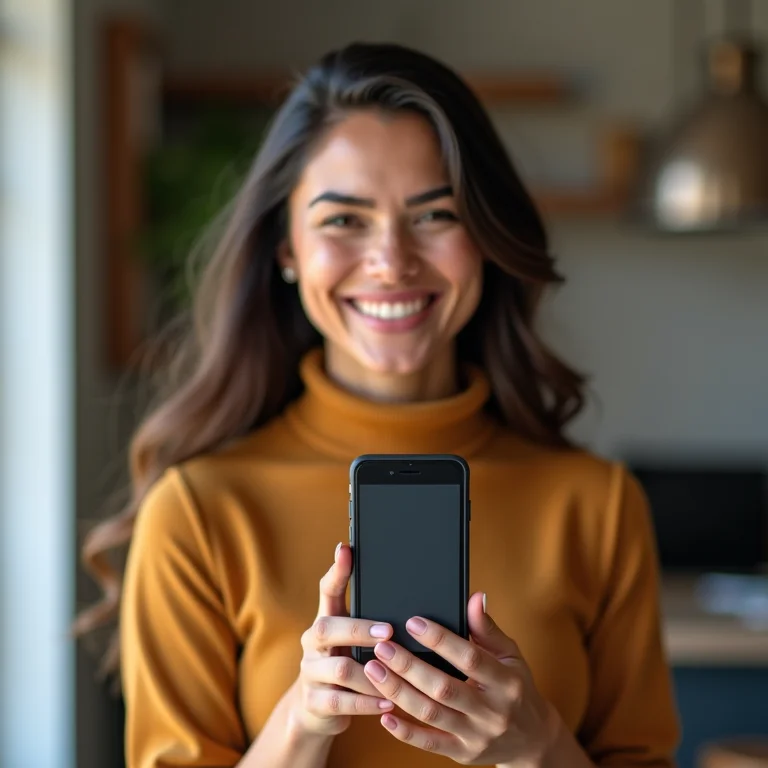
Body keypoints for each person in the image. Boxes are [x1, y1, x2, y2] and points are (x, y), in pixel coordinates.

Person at [77, 42, 680, 768]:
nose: (391, 260)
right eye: (344, 220)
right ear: (287, 250)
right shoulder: (200, 511)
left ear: (485, 238)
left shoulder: (598, 504)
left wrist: (537, 745)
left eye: (435, 215)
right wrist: (301, 722)